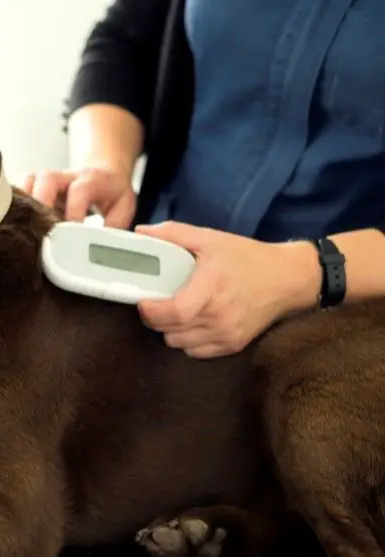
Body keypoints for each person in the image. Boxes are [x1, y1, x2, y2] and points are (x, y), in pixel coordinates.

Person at [26, 0, 385, 359]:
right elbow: (127, 40)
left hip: (340, 337)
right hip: (154, 280)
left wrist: (303, 274)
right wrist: (105, 164)